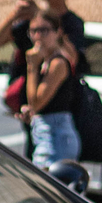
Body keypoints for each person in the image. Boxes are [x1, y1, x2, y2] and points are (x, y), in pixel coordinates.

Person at [0, 0, 85, 86]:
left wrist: (42, 17)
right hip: (27, 90)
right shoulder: (32, 20)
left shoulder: (72, 22)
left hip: (55, 91)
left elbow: (72, 57)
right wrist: (15, 14)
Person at [21, 12, 82, 173]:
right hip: (46, 132)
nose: (38, 36)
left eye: (44, 30)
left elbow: (37, 102)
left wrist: (31, 66)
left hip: (56, 137)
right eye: (33, 31)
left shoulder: (58, 63)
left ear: (58, 32)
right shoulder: (47, 62)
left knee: (48, 191)